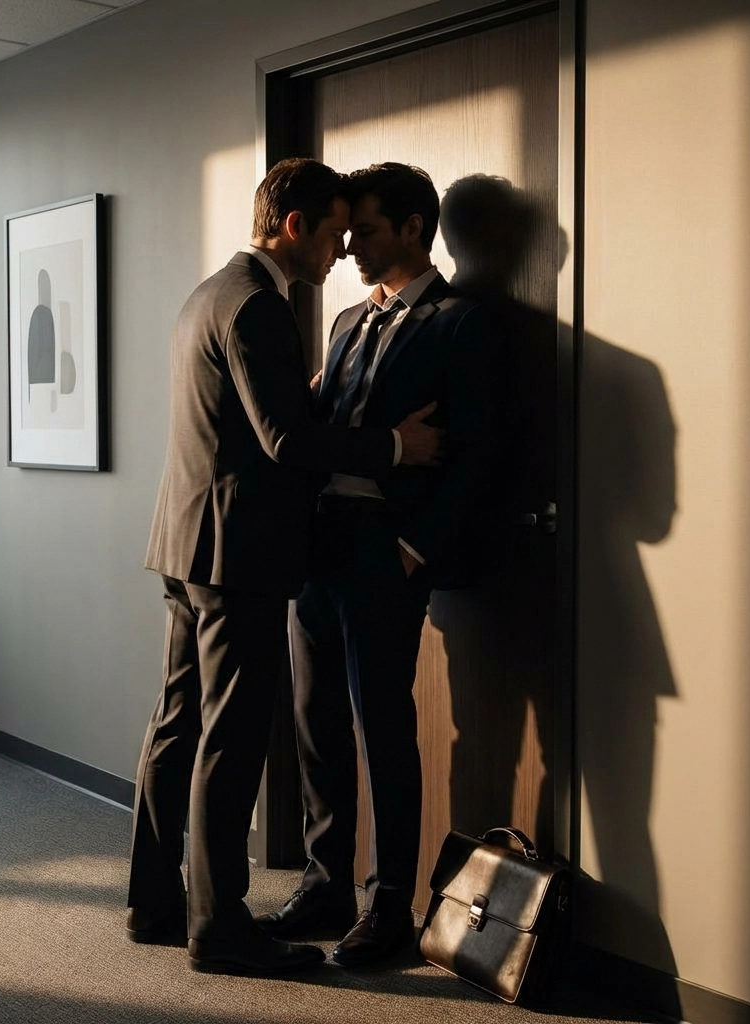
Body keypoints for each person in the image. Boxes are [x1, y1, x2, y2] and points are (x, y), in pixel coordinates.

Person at [126, 157, 444, 976]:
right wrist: (395, 445)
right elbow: (288, 443)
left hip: (185, 542)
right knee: (227, 741)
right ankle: (219, 929)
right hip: (240, 556)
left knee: (175, 728)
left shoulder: (212, 292)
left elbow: (250, 416)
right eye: (336, 233)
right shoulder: (262, 308)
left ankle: (155, 902)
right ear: (296, 226)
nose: (341, 251)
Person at [258, 163, 496, 967]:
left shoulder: (461, 325)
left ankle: (389, 903)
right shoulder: (346, 322)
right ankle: (326, 883)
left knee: (383, 726)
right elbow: (320, 426)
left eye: (365, 229)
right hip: (319, 543)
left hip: (384, 549)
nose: (349, 244)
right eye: (345, 230)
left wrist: (413, 547)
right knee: (316, 722)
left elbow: (478, 459)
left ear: (414, 229)